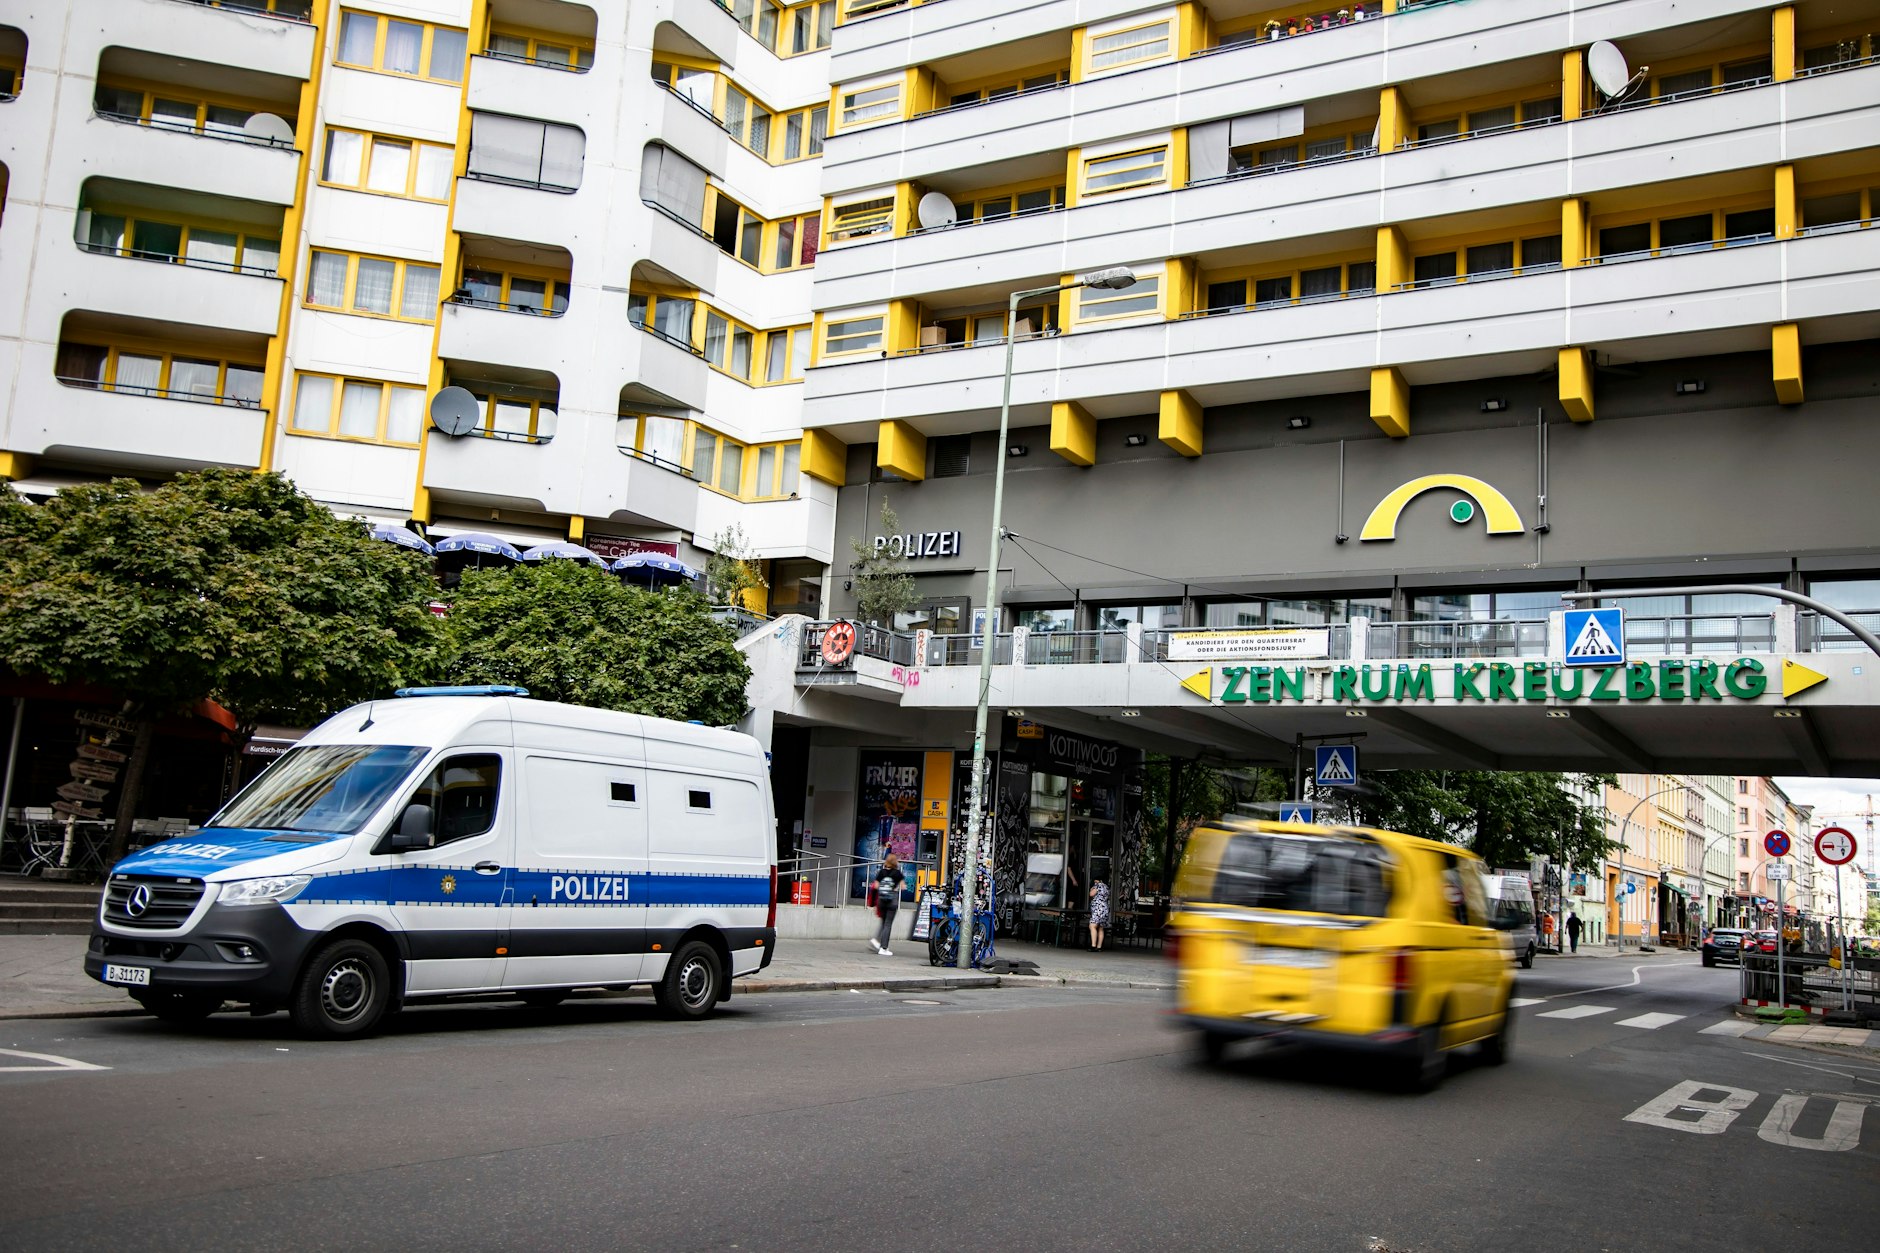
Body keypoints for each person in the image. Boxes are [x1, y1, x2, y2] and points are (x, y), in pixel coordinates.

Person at [869, 851, 905, 957]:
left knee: (884, 923)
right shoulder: (898, 873)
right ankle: (883, 948)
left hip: (881, 901)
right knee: (888, 924)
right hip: (891, 901)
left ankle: (879, 943)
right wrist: (894, 888)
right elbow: (903, 887)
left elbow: (875, 886)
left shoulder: (881, 872)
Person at [1088, 877, 1111, 951]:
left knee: (1092, 926)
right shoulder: (1106, 886)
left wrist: (1091, 889)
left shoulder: (1097, 885)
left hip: (1098, 908)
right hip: (1105, 908)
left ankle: (1093, 945)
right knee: (1101, 928)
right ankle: (1099, 946)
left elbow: (1091, 894)